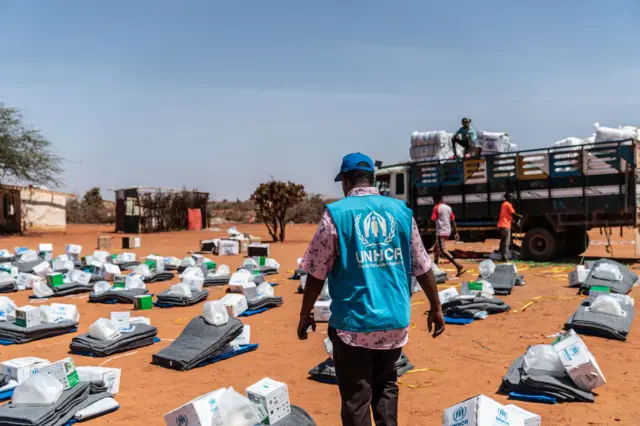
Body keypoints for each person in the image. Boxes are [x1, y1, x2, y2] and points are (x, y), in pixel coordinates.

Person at [297, 152, 445, 426]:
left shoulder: (336, 214)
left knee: (356, 398)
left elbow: (316, 272)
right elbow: (423, 266)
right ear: (373, 179)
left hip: (354, 324)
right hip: (394, 322)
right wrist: (436, 309)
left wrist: (305, 314)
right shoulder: (401, 212)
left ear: (346, 181)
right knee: (387, 387)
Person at [430, 194, 466, 276]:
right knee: (436, 250)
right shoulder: (448, 208)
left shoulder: (436, 208)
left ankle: (458, 266)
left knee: (442, 250)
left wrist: (424, 229)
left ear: (436, 200)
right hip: (447, 231)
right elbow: (453, 221)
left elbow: (432, 220)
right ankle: (435, 268)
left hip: (440, 232)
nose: (433, 202)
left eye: (434, 200)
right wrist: (456, 232)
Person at [497, 193, 521, 261]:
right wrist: (520, 216)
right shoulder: (508, 204)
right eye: (511, 197)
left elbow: (507, 216)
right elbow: (513, 213)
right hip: (505, 226)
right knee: (506, 243)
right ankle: (505, 258)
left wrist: (514, 222)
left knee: (503, 241)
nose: (512, 199)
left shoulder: (503, 204)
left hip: (501, 225)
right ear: (509, 198)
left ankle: (502, 256)